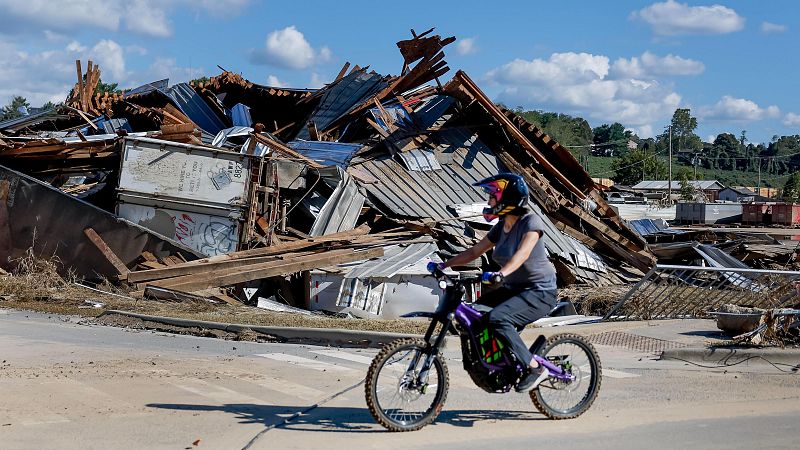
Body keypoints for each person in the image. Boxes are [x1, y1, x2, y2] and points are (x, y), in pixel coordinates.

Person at [434, 173, 557, 392]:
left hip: (539, 291)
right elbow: (474, 251)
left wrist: (501, 273)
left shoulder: (531, 222)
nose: (489, 202)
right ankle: (500, 363)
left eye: (493, 197)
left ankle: (536, 368)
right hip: (513, 289)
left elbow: (522, 254)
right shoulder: (500, 227)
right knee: (476, 315)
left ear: (508, 198)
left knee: (499, 318)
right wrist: (444, 265)